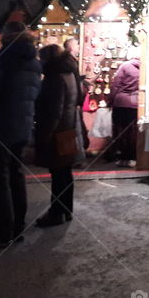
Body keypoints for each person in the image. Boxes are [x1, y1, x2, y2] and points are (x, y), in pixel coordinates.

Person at [0, 22, 41, 251]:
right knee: (16, 175)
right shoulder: (34, 62)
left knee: (0, 180)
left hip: (0, 125)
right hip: (22, 125)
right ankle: (17, 227)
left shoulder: (2, 60)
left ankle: (4, 232)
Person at [34, 45, 83, 226]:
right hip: (68, 129)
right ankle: (65, 210)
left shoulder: (55, 78)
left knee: (58, 174)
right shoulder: (70, 73)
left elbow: (54, 110)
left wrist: (45, 135)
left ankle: (57, 212)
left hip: (58, 132)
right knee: (65, 173)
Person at [109, 53, 139, 168]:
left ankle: (122, 157)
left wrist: (110, 101)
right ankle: (132, 157)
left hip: (121, 102)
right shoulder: (145, 68)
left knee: (121, 131)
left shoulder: (125, 66)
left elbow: (116, 85)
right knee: (133, 132)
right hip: (136, 103)